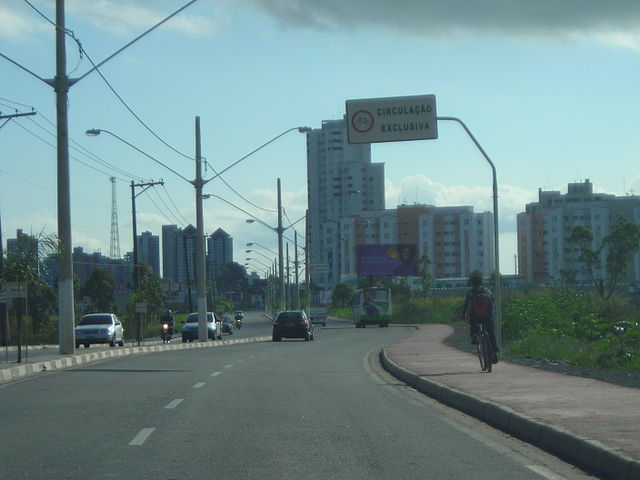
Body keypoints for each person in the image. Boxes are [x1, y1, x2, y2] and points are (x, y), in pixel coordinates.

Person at [461, 271, 499, 364]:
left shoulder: (471, 292)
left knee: (473, 322)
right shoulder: (487, 291)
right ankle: (495, 352)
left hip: (476, 316)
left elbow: (466, 305)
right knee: (491, 332)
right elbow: (493, 303)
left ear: (472, 283)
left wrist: (463, 314)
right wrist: (492, 314)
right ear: (482, 282)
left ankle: (475, 335)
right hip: (488, 316)